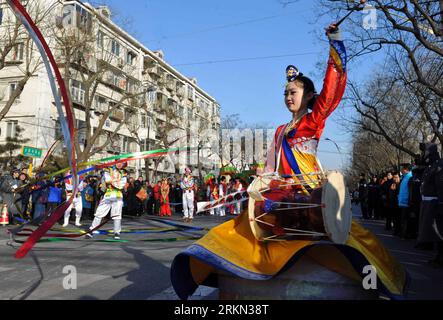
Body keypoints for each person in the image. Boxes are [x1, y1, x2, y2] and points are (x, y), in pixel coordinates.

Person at [170, 24, 407, 300]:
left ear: (307, 95)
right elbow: (271, 167)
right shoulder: (281, 130)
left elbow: (331, 91)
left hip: (310, 192)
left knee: (342, 235)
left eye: (293, 92)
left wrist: (335, 42)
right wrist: (260, 185)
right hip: (284, 193)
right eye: (285, 93)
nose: (288, 97)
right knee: (245, 227)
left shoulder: (313, 120)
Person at [86, 162, 128, 240]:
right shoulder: (108, 170)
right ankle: (92, 229)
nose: (120, 164)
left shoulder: (124, 173)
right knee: (99, 212)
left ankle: (117, 232)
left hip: (118, 195)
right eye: (118, 162)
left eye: (122, 163)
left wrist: (113, 182)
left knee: (117, 215)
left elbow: (122, 184)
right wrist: (114, 182)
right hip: (108, 194)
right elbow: (107, 180)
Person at [417, 143, 443, 266]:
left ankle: (441, 258)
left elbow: (440, 186)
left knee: (438, 231)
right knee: (432, 231)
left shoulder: (439, 166)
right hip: (428, 203)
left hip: (435, 203)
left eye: (426, 152)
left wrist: (441, 203)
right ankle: (438, 256)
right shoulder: (431, 166)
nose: (424, 155)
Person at [398, 164, 413, 239]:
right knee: (403, 219)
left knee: (405, 220)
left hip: (406, 202)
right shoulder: (404, 177)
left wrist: (409, 201)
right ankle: (403, 233)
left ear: (406, 169)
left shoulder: (410, 177)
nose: (401, 170)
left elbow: (410, 191)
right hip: (402, 202)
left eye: (402, 169)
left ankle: (405, 234)